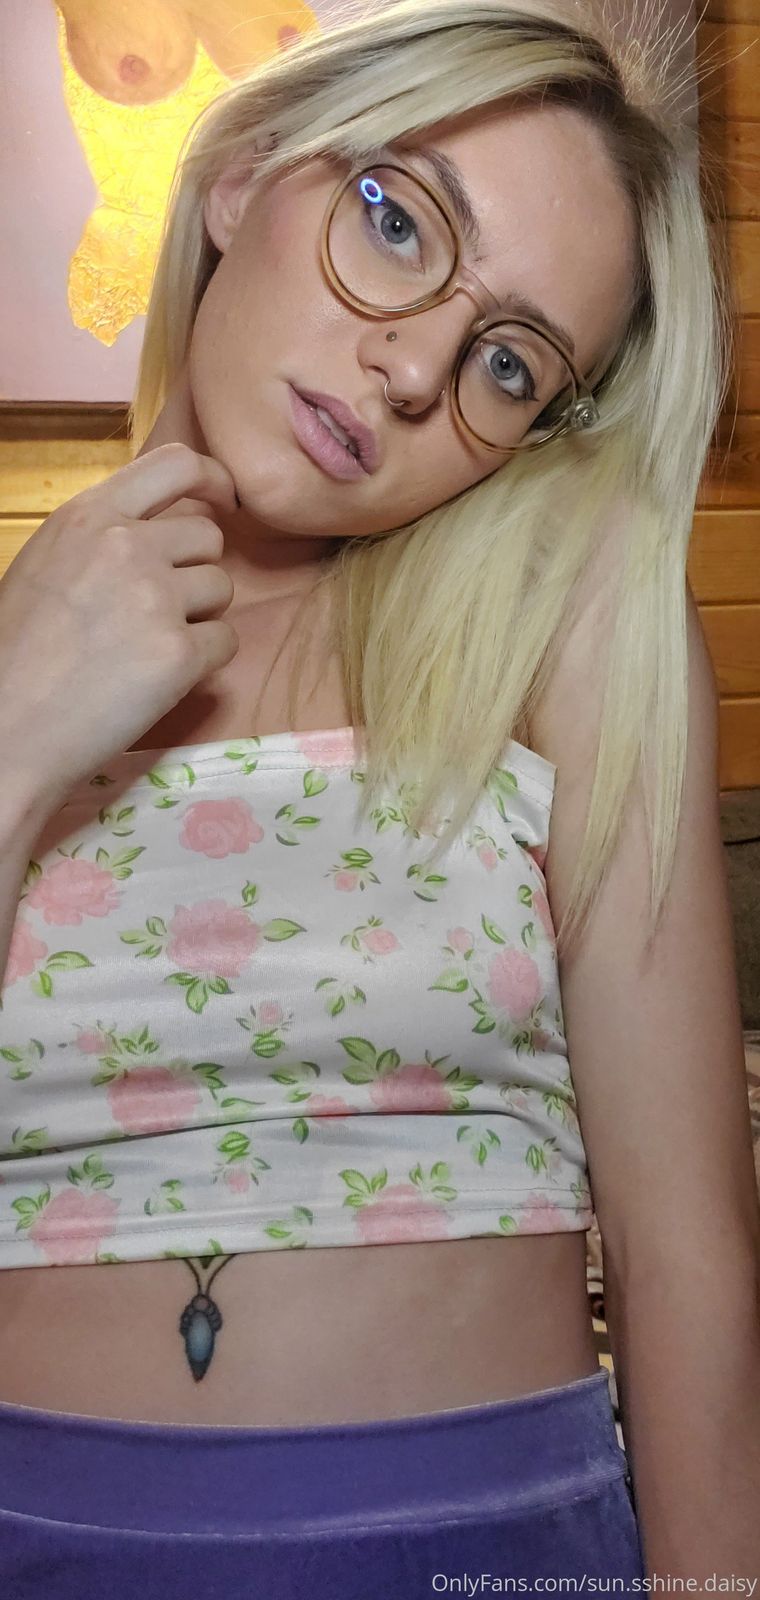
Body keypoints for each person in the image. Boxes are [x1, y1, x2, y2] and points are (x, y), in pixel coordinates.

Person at [0, 0, 758, 1594]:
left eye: (507, 363)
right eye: (400, 222)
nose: (413, 371)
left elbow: (684, 1251)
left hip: (475, 1544)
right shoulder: (24, 649)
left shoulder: (568, 616)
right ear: (243, 177)